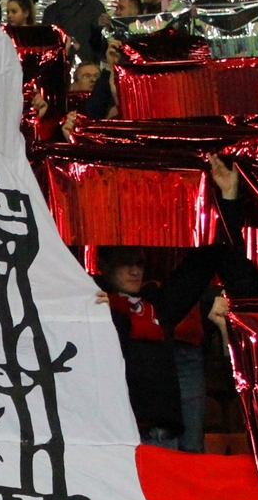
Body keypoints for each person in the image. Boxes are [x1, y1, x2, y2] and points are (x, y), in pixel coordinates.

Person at [96, 155, 242, 449]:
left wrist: (228, 197)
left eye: (139, 262)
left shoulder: (158, 304)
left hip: (164, 438)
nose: (135, 270)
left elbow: (208, 260)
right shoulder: (90, 303)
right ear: (104, 267)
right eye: (125, 263)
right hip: (116, 439)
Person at [42, 0, 106, 61]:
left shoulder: (93, 6)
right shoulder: (50, 11)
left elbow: (101, 40)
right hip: (58, 62)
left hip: (87, 62)